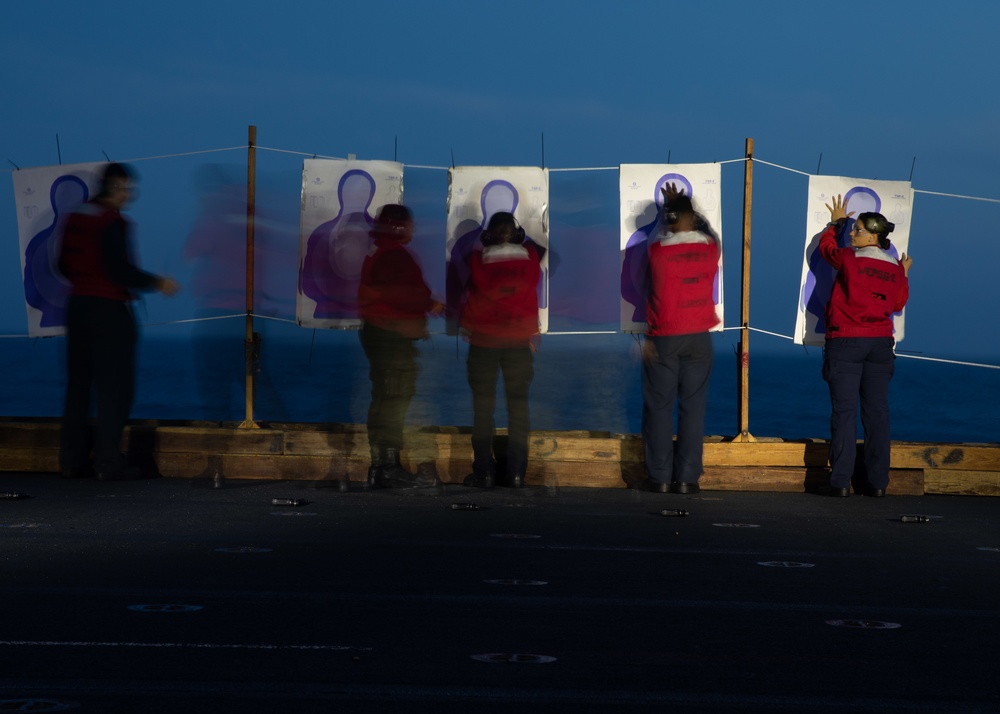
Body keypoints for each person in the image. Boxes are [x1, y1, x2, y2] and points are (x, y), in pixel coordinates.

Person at [57, 162, 180, 481]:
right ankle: (108, 462)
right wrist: (157, 283)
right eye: (127, 189)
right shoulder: (112, 222)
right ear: (115, 187)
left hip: (78, 308)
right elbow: (118, 270)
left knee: (79, 388)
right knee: (115, 389)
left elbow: (61, 264)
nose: (129, 196)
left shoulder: (75, 218)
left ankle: (71, 460)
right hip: (109, 312)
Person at [820, 194, 912, 497]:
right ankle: (876, 483)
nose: (851, 233)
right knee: (877, 413)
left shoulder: (849, 258)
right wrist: (905, 273)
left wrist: (835, 223)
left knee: (844, 412)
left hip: (846, 340)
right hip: (880, 345)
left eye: (856, 229)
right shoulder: (895, 268)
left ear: (872, 235)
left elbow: (827, 250)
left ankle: (840, 482)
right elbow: (898, 303)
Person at [641, 185, 721, 494]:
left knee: (659, 408)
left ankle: (659, 477)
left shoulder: (657, 251)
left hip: (664, 337)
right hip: (698, 336)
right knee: (693, 408)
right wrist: (683, 207)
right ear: (691, 217)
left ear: (668, 220)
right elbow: (707, 230)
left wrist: (670, 210)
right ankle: (687, 478)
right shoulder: (710, 248)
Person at [358, 204, 443, 489]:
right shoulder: (395, 255)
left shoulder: (378, 251)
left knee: (383, 399)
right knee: (395, 400)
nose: (413, 229)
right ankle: (389, 466)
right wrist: (430, 303)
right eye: (409, 224)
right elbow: (408, 293)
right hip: (392, 336)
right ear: (397, 226)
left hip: (378, 332)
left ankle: (379, 465)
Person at [459, 212, 543, 489]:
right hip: (519, 344)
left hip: (483, 344)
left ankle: (484, 471)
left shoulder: (476, 262)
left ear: (488, 237)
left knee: (483, 410)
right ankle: (516, 473)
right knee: (518, 410)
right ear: (517, 235)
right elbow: (538, 246)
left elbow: (469, 262)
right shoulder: (530, 258)